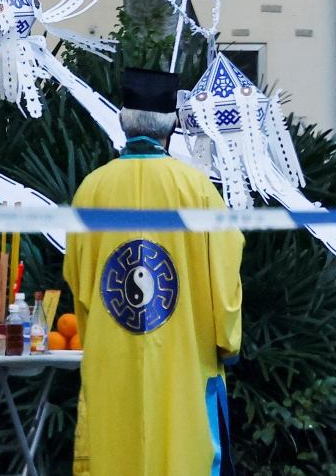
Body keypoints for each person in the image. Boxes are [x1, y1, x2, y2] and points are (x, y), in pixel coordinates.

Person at [63, 67, 244, 476]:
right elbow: (225, 268)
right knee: (187, 453)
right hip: (185, 356)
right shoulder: (197, 188)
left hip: (113, 357)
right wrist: (227, 339)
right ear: (173, 126)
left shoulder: (92, 188)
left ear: (122, 120)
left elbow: (77, 276)